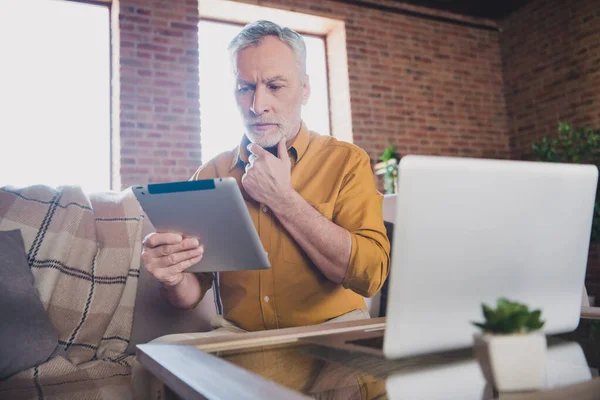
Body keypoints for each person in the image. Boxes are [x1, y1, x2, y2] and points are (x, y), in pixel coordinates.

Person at [141, 20, 390, 333]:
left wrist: (283, 199)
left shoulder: (346, 161)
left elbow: (371, 277)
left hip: (332, 334)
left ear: (305, 89)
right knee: (156, 366)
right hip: (240, 341)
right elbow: (190, 294)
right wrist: (173, 277)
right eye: (245, 88)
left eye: (275, 86)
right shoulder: (210, 174)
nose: (258, 106)